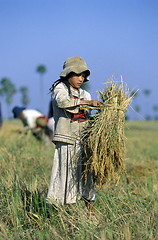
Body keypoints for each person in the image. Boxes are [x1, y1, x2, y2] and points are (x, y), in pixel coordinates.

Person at [46, 56, 103, 217]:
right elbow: (63, 102)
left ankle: (90, 215)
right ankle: (57, 215)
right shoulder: (59, 89)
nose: (80, 78)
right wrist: (88, 103)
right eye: (77, 75)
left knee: (87, 177)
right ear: (68, 74)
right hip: (66, 140)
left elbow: (86, 117)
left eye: (83, 75)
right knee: (65, 176)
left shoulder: (85, 92)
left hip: (83, 141)